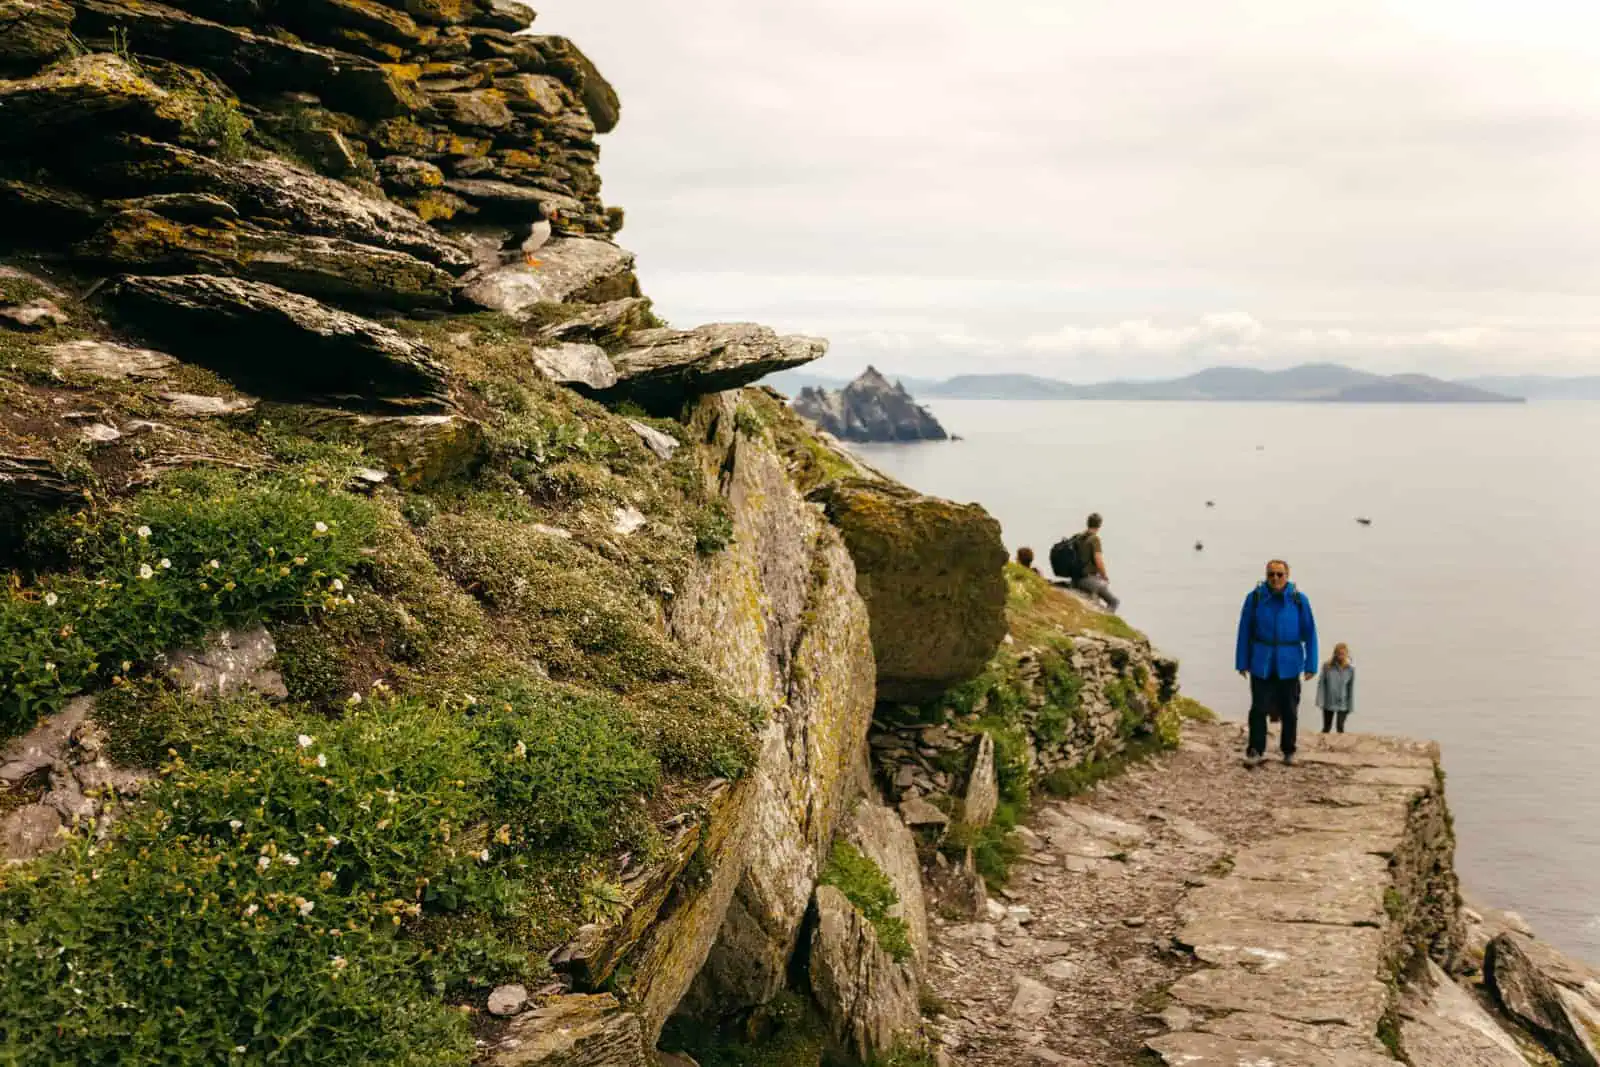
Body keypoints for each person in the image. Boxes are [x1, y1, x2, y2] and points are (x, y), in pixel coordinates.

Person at [1234, 559, 1318, 766]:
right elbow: (1244, 631)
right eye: (1271, 574)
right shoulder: (1254, 599)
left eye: (1280, 574)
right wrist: (1242, 661)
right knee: (1258, 709)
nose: (1275, 578)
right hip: (1261, 662)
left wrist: (1311, 664)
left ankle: (1288, 749)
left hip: (1289, 663)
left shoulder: (1299, 600)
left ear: (1287, 576)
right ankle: (1255, 749)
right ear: (1266, 576)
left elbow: (1310, 633)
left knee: (1289, 710)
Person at [1072, 513, 1120, 613]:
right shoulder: (1094, 539)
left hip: (1075, 578)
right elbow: (1098, 561)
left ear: (1087, 523)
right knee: (1114, 601)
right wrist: (1105, 576)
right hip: (1087, 579)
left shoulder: (1078, 537)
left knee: (1099, 589)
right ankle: (1107, 618)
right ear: (1099, 525)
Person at [1317, 643, 1355, 734]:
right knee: (1326, 727)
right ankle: (1322, 745)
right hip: (1328, 702)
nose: (1340, 656)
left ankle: (1340, 746)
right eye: (1339, 654)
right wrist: (1320, 701)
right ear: (1335, 654)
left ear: (1346, 654)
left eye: (1343, 654)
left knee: (1340, 727)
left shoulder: (1350, 669)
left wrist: (1350, 706)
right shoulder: (1327, 667)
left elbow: (1351, 688)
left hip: (1343, 703)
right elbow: (1321, 685)